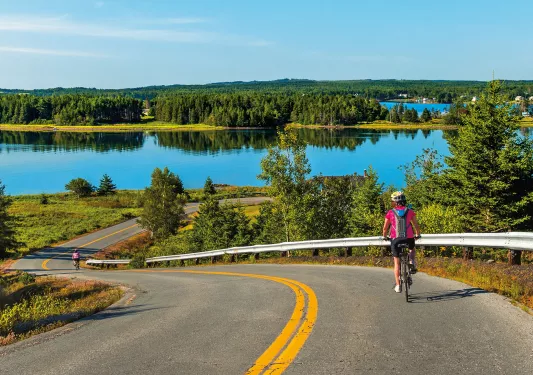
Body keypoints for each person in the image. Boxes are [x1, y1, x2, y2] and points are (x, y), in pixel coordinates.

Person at [382, 191, 421, 293]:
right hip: (409, 238)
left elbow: (385, 228)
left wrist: (384, 236)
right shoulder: (410, 211)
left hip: (395, 239)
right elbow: (416, 225)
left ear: (394, 202)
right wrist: (417, 234)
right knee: (412, 249)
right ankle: (412, 261)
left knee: (396, 263)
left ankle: (398, 285)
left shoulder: (390, 213)